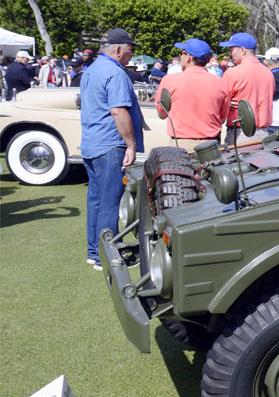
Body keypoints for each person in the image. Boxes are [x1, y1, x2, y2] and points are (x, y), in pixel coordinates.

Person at [80, 29, 144, 271]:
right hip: (109, 144)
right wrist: (130, 144)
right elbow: (118, 111)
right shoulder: (114, 73)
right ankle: (106, 257)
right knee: (110, 201)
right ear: (118, 49)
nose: (131, 54)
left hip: (92, 143)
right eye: (130, 49)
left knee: (96, 199)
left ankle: (94, 252)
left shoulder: (93, 69)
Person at [154, 38, 229, 151]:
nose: (181, 57)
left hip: (180, 145)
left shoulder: (169, 80)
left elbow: (162, 113)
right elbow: (222, 118)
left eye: (182, 54)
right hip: (210, 147)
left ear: (189, 57)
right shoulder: (220, 83)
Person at [219, 32, 275, 143]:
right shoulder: (268, 72)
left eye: (232, 49)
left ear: (242, 50)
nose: (230, 53)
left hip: (240, 135)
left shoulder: (233, 73)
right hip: (264, 134)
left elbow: (220, 102)